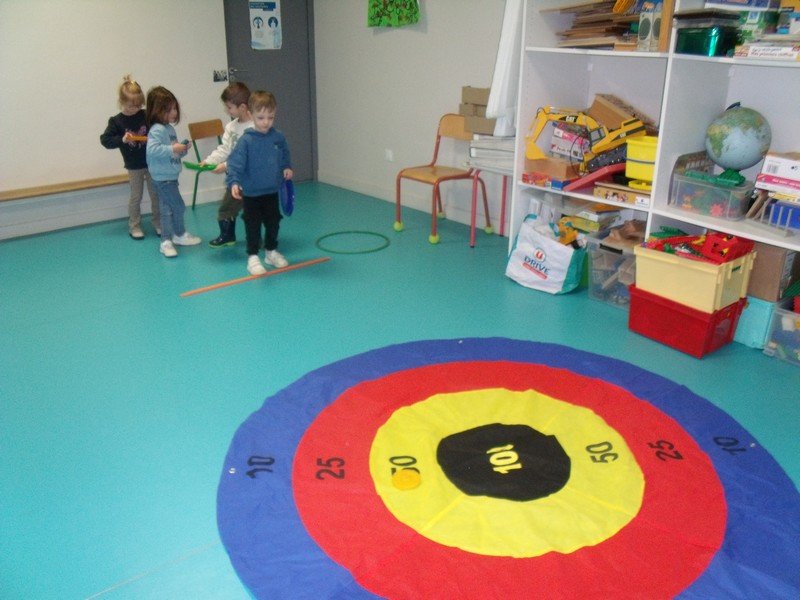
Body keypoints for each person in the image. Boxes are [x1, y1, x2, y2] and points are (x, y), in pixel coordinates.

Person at [226, 91, 293, 275]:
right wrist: (234, 181)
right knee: (252, 225)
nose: (266, 122)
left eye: (270, 117)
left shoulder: (278, 137)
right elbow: (235, 163)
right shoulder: (246, 141)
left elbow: (284, 154)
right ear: (251, 115)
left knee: (273, 222)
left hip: (271, 191)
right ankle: (253, 256)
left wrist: (286, 166)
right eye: (261, 117)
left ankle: (271, 251)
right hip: (252, 194)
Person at [100, 75, 161, 240]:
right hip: (134, 166)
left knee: (156, 194)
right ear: (122, 101)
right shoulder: (116, 121)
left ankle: (158, 223)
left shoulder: (146, 115)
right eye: (130, 105)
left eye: (138, 105)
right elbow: (105, 140)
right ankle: (134, 225)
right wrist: (122, 139)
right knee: (136, 196)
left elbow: (159, 130)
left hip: (151, 163)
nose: (135, 109)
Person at [145, 86, 201, 258]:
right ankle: (174, 236)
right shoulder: (157, 129)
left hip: (170, 176)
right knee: (177, 206)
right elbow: (152, 150)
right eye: (169, 110)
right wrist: (173, 148)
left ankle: (171, 239)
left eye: (175, 108)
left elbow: (172, 152)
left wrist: (182, 149)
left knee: (167, 209)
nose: (174, 113)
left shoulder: (169, 129)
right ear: (157, 110)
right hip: (162, 179)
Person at [200, 82, 253, 248]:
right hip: (236, 181)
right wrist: (209, 161)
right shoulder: (231, 127)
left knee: (255, 212)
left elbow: (249, 157)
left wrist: (226, 166)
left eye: (229, 107)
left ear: (242, 107)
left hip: (254, 180)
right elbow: (224, 149)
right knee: (227, 208)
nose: (227, 110)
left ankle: (257, 238)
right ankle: (227, 236)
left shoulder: (255, 126)